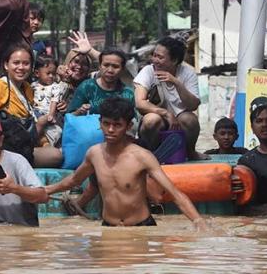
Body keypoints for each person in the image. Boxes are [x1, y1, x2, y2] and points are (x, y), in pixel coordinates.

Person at [42, 98, 206, 228]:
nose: (111, 130)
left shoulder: (142, 156)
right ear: (100, 123)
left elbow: (175, 194)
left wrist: (198, 222)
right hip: (109, 227)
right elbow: (73, 180)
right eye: (106, 124)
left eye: (117, 125)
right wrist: (46, 190)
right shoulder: (94, 153)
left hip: (141, 228)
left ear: (129, 126)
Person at [133, 37, 202, 158]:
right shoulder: (148, 71)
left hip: (180, 123)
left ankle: (190, 152)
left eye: (160, 57)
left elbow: (193, 105)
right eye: (154, 55)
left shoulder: (188, 73)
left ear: (174, 60)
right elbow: (140, 103)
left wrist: (176, 82)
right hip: (158, 121)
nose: (155, 60)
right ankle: (152, 156)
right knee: (151, 120)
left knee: (190, 119)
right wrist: (166, 114)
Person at [67, 48, 135, 115]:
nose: (110, 70)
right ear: (99, 66)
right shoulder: (87, 87)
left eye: (115, 66)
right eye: (106, 65)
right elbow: (69, 117)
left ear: (122, 69)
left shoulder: (128, 94)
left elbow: (133, 122)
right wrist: (79, 112)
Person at [31, 54, 68, 147]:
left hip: (46, 113)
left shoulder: (55, 87)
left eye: (53, 73)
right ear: (37, 73)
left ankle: (46, 143)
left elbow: (54, 101)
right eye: (48, 73)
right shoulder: (33, 85)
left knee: (54, 130)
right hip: (35, 112)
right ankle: (42, 142)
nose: (51, 76)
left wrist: (51, 114)